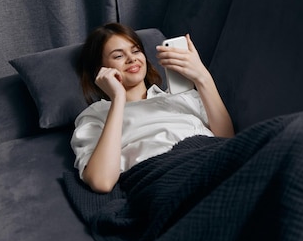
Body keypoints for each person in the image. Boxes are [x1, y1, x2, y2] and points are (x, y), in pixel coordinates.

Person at [71, 22, 234, 193]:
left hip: (212, 156)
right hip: (165, 173)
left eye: (135, 51)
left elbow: (226, 139)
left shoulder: (183, 96)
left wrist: (202, 77)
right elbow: (102, 182)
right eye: (118, 56)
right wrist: (118, 99)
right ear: (100, 69)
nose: (132, 58)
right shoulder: (96, 114)